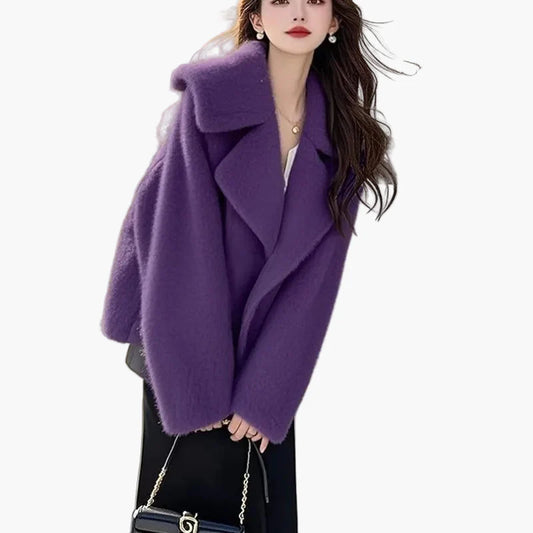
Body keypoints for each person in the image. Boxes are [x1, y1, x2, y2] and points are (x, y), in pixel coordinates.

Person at [100, 1, 402, 531]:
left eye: (314, 1)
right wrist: (199, 385)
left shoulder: (343, 134)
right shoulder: (214, 100)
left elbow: (314, 282)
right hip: (182, 347)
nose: (298, 12)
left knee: (265, 513)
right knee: (180, 518)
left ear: (335, 21)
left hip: (265, 355)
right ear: (257, 18)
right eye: (280, 0)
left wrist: (266, 391)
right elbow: (178, 244)